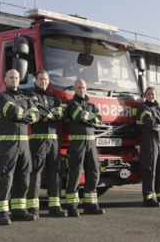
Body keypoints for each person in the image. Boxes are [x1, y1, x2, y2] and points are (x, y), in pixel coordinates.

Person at [0, 69, 40, 225]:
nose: (14, 80)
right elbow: (13, 112)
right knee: (6, 177)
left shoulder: (25, 97)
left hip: (24, 144)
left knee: (24, 177)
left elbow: (36, 115)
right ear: (5, 79)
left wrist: (25, 114)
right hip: (8, 144)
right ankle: (2, 213)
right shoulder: (2, 97)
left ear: (20, 79)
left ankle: (19, 210)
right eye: (11, 77)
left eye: (16, 77)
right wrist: (27, 114)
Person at [26, 70, 68, 218]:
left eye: (46, 79)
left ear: (48, 81)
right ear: (35, 80)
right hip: (38, 139)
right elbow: (36, 111)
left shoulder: (54, 97)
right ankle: (32, 208)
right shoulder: (31, 96)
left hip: (54, 140)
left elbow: (63, 112)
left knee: (55, 172)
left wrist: (47, 114)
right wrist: (52, 114)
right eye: (41, 79)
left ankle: (55, 206)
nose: (43, 82)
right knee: (35, 172)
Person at [64, 79, 104, 216]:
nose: (82, 90)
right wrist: (90, 117)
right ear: (74, 89)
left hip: (91, 144)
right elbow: (79, 115)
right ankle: (71, 206)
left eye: (84, 87)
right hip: (77, 143)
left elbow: (100, 120)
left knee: (93, 173)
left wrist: (88, 117)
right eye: (79, 87)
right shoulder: (70, 104)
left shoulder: (92, 105)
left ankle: (90, 205)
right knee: (75, 173)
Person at [136, 87, 160, 207]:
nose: (151, 96)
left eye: (153, 94)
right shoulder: (143, 107)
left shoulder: (159, 107)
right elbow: (149, 122)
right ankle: (149, 198)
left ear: (156, 95)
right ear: (145, 95)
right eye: (149, 94)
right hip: (149, 139)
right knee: (150, 169)